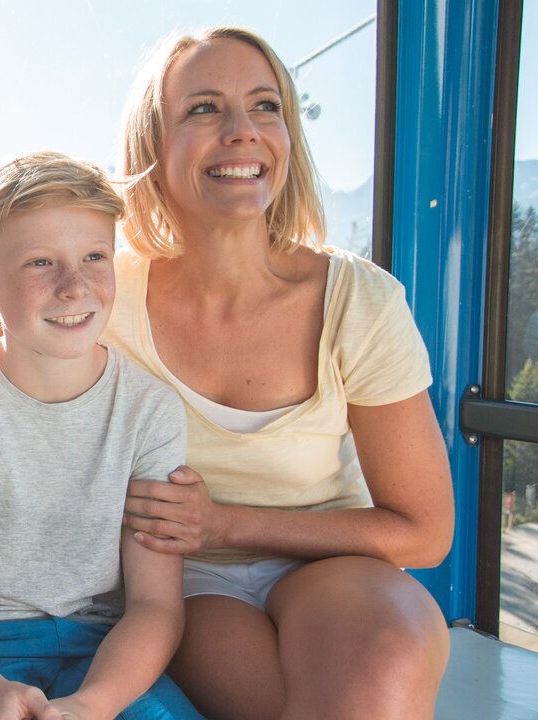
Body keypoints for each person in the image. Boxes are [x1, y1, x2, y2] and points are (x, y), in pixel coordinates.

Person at [106, 27, 455, 719]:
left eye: (266, 106)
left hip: (333, 564)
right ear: (153, 143)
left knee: (382, 666)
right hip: (189, 581)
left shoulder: (359, 299)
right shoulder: (102, 299)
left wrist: (225, 523)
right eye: (204, 109)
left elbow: (423, 531)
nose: (242, 131)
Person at [0, 151, 201, 720]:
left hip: (102, 654)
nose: (75, 287)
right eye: (40, 263)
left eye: (94, 256)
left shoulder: (149, 411)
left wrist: (89, 707)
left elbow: (154, 606)